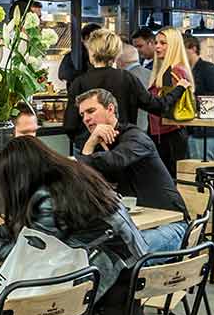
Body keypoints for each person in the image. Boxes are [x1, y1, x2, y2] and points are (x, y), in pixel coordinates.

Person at [0, 135, 152, 315]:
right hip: (125, 307)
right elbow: (32, 230)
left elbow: (30, 256)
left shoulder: (49, 199)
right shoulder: (73, 179)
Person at [74, 89, 187, 254]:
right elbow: (83, 180)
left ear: (110, 109)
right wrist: (90, 144)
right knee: (84, 247)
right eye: (82, 115)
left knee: (115, 253)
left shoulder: (136, 138)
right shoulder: (97, 144)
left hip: (172, 227)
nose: (86, 119)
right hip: (136, 226)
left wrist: (87, 149)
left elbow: (115, 161)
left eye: (91, 111)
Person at [62, 30, 175, 146]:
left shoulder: (79, 82)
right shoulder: (127, 78)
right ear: (116, 53)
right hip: (123, 147)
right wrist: (179, 89)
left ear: (91, 52)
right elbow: (157, 106)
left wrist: (87, 143)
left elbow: (70, 126)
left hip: (91, 149)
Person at [146, 27, 195, 173]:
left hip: (170, 134)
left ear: (173, 45)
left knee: (171, 180)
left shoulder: (173, 72)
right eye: (156, 42)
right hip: (167, 133)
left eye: (163, 43)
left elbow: (165, 104)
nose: (157, 47)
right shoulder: (171, 70)